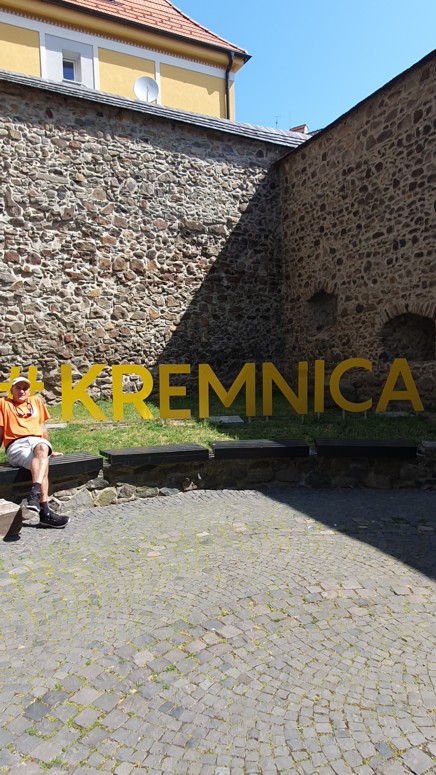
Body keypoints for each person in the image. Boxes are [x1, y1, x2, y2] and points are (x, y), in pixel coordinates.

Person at [0, 377, 69, 528]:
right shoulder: (4, 404)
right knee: (42, 463)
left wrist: (50, 448)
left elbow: (42, 427)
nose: (22, 391)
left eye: (25, 388)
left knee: (42, 451)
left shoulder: (36, 402)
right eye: (18, 388)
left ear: (29, 391)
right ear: (11, 390)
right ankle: (45, 512)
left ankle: (34, 494)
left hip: (37, 443)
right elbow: (0, 430)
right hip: (16, 444)